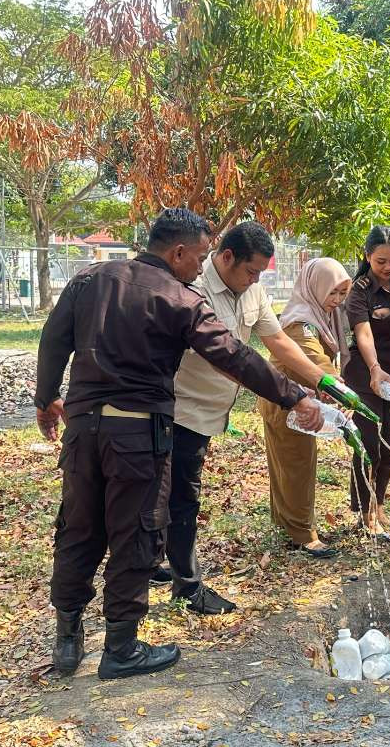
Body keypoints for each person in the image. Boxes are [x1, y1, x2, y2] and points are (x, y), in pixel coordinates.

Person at [35, 208, 322, 681]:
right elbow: (235, 355)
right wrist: (293, 397)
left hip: (82, 429)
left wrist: (47, 398)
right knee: (136, 532)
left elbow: (53, 339)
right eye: (200, 257)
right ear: (178, 252)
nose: (199, 268)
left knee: (79, 527)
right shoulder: (179, 298)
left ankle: (67, 642)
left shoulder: (89, 279)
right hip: (138, 434)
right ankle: (121, 647)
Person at [163, 222, 333, 614]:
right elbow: (227, 360)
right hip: (180, 407)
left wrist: (322, 379)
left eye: (260, 273)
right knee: (181, 496)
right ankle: (186, 587)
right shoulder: (194, 289)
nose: (256, 279)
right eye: (251, 271)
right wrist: (292, 397)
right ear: (226, 258)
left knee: (171, 492)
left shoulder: (252, 290)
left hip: (210, 410)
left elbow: (277, 341)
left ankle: (159, 561)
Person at [258, 258, 352, 558]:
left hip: (296, 400)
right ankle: (302, 534)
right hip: (286, 404)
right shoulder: (301, 323)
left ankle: (287, 525)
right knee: (296, 465)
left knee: (289, 465)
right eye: (332, 293)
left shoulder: (318, 315)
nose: (336, 300)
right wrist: (344, 395)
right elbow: (317, 364)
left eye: (342, 293)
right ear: (315, 287)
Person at [343, 226, 390, 537]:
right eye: (381, 260)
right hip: (365, 376)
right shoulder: (359, 291)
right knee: (369, 444)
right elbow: (363, 333)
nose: (388, 267)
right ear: (368, 256)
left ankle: (379, 503)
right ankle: (364, 509)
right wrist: (373, 368)